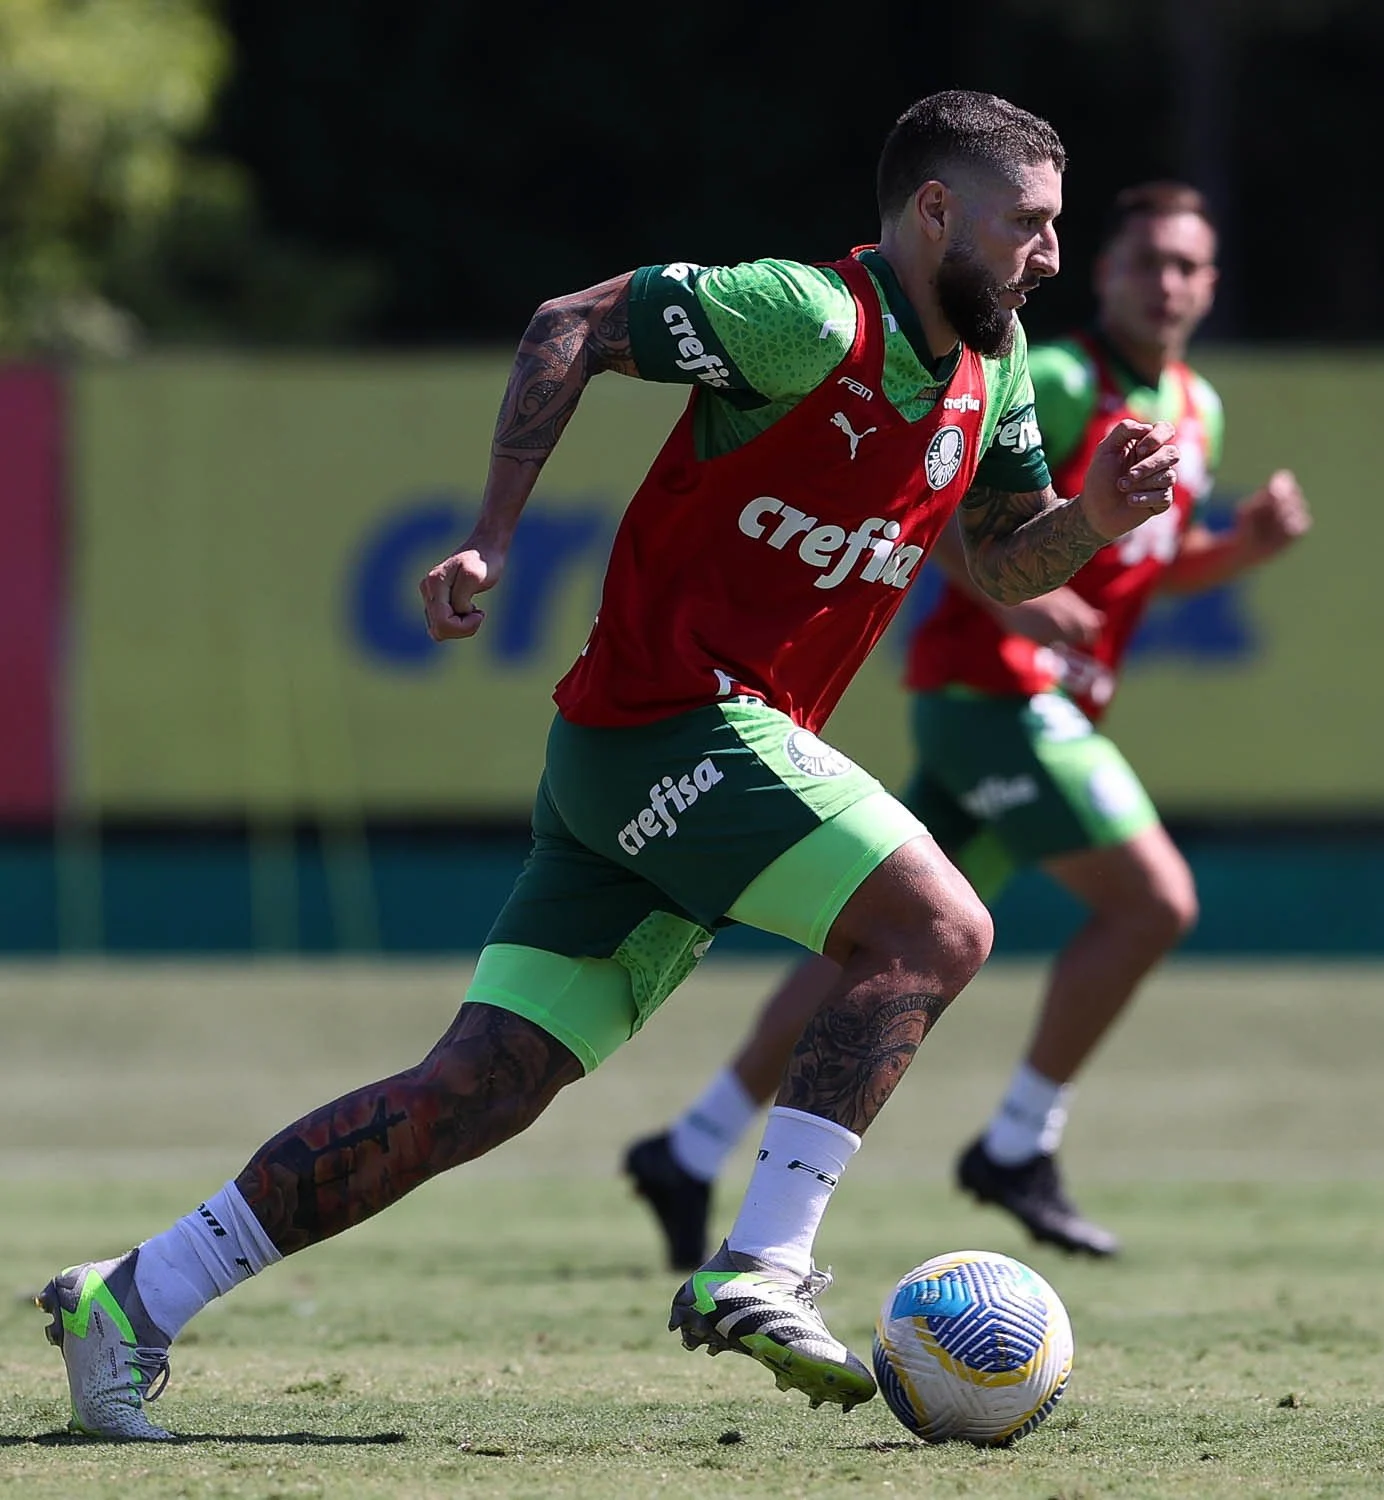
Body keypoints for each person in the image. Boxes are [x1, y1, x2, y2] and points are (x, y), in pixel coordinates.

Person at [35, 91, 1182, 1441]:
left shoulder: (991, 369)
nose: (1048, 253)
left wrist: (1094, 520)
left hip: (645, 762)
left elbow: (996, 560)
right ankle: (763, 1264)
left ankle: (133, 1297)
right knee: (938, 925)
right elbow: (569, 326)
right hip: (672, 725)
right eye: (1030, 224)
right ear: (937, 211)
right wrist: (492, 541)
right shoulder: (808, 318)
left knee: (475, 1093)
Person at [624, 180, 1310, 1268]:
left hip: (1033, 703)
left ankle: (693, 1144)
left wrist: (1245, 554)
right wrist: (1016, 593)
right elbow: (937, 494)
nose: (1166, 284)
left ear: (1211, 285)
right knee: (1153, 903)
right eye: (1145, 262)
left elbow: (1135, 567)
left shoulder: (1197, 406)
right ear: (1107, 274)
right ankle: (1017, 1144)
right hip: (995, 694)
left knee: (874, 944)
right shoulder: (1061, 375)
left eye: (1187, 266)